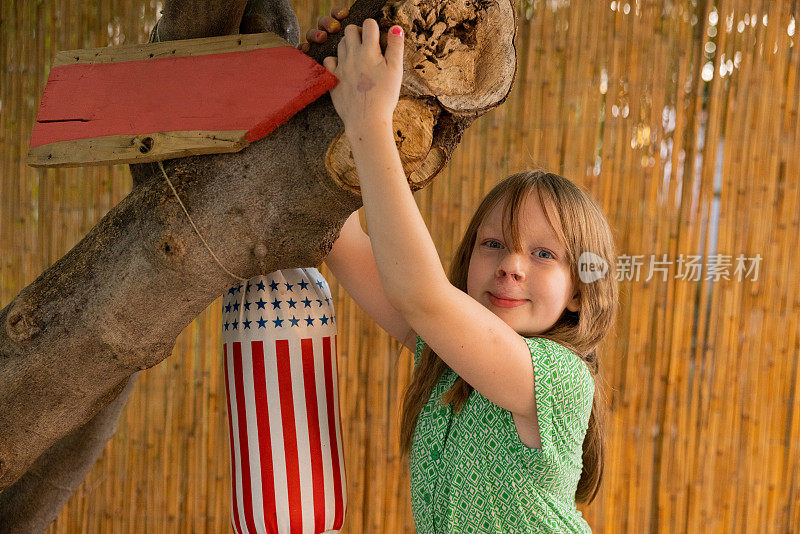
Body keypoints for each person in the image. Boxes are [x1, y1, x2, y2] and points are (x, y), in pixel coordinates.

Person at [301, 9, 619, 533]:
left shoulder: (560, 378)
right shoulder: (445, 359)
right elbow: (342, 240)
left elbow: (421, 294)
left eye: (543, 254)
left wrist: (371, 123)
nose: (511, 266)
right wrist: (330, 102)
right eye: (493, 244)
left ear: (581, 292)